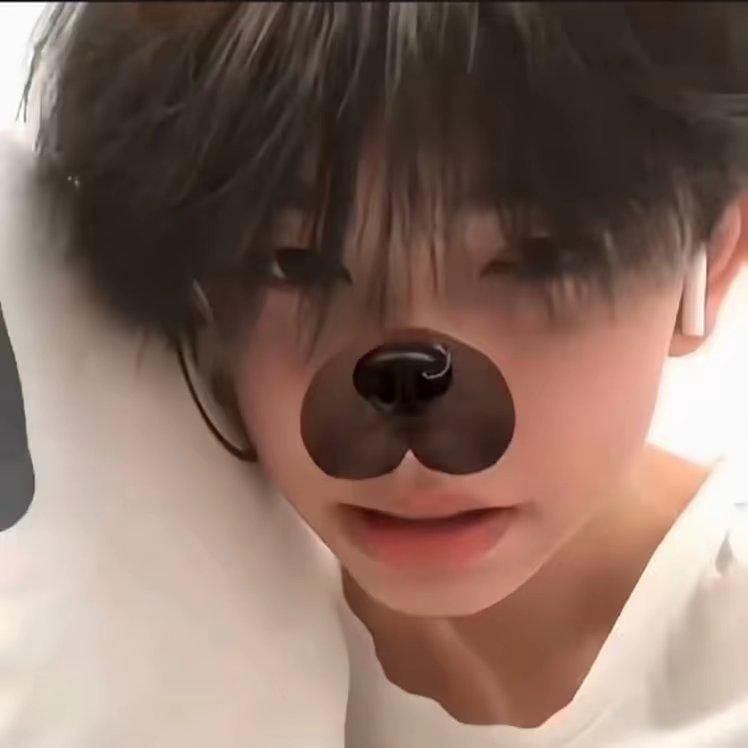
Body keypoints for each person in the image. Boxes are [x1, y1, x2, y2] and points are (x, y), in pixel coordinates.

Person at [18, 2, 748, 745]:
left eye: (537, 259)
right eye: (294, 264)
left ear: (714, 257)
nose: (414, 415)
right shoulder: (131, 624)